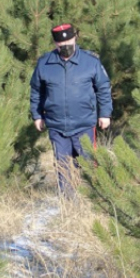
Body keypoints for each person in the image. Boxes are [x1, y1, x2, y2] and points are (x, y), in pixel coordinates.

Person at [29, 23, 112, 198]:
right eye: (61, 44)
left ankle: (92, 200)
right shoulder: (45, 63)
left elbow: (103, 88)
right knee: (63, 167)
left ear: (75, 39)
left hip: (84, 124)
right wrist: (37, 115)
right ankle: (68, 203)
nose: (66, 46)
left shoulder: (91, 62)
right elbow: (36, 91)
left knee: (88, 165)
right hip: (57, 126)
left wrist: (105, 114)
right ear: (55, 43)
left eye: (69, 42)